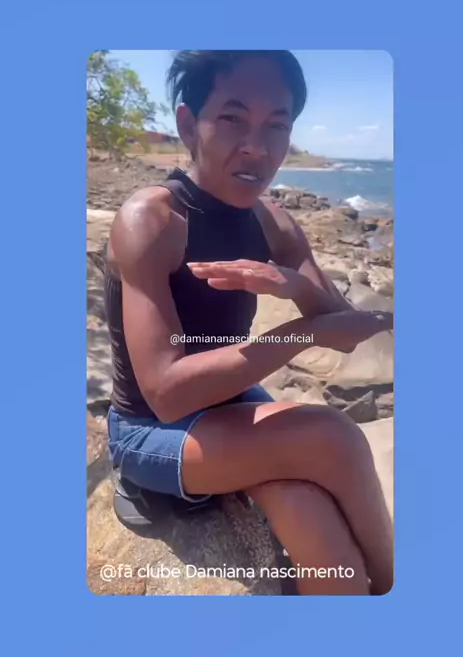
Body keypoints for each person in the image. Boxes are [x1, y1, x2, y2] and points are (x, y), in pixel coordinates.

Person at [105, 50, 394, 595]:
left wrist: (293, 286)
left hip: (226, 399)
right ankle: (394, 589)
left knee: (302, 504)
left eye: (276, 126)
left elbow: (346, 327)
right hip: (150, 428)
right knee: (336, 437)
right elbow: (166, 393)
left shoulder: (273, 222)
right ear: (188, 124)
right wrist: (301, 333)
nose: (257, 148)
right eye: (233, 118)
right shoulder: (153, 221)